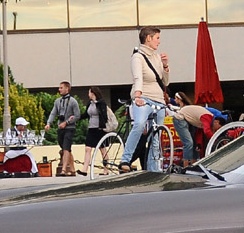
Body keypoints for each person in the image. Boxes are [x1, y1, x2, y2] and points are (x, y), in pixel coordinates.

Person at [127, 26, 197, 169]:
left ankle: (155, 169)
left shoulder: (157, 57)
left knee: (157, 138)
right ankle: (126, 158)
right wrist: (138, 95)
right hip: (144, 98)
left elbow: (165, 82)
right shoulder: (138, 57)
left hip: (158, 100)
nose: (159, 42)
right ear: (148, 38)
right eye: (157, 38)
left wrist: (165, 67)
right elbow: (137, 78)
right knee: (139, 124)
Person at [45, 81, 81, 176]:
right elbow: (53, 113)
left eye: (61, 88)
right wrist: (49, 123)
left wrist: (67, 122)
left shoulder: (73, 101)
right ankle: (72, 169)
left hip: (70, 128)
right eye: (59, 87)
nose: (59, 89)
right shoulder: (58, 101)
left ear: (67, 88)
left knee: (65, 148)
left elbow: (77, 115)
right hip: (60, 128)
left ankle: (64, 170)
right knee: (66, 149)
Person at [83, 87, 115, 172]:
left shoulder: (101, 103)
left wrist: (101, 125)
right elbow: (86, 114)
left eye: (89, 92)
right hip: (91, 128)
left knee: (102, 149)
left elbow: (104, 116)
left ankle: (106, 169)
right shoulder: (90, 103)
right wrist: (76, 118)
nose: (88, 94)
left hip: (100, 129)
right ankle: (85, 169)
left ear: (93, 93)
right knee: (88, 148)